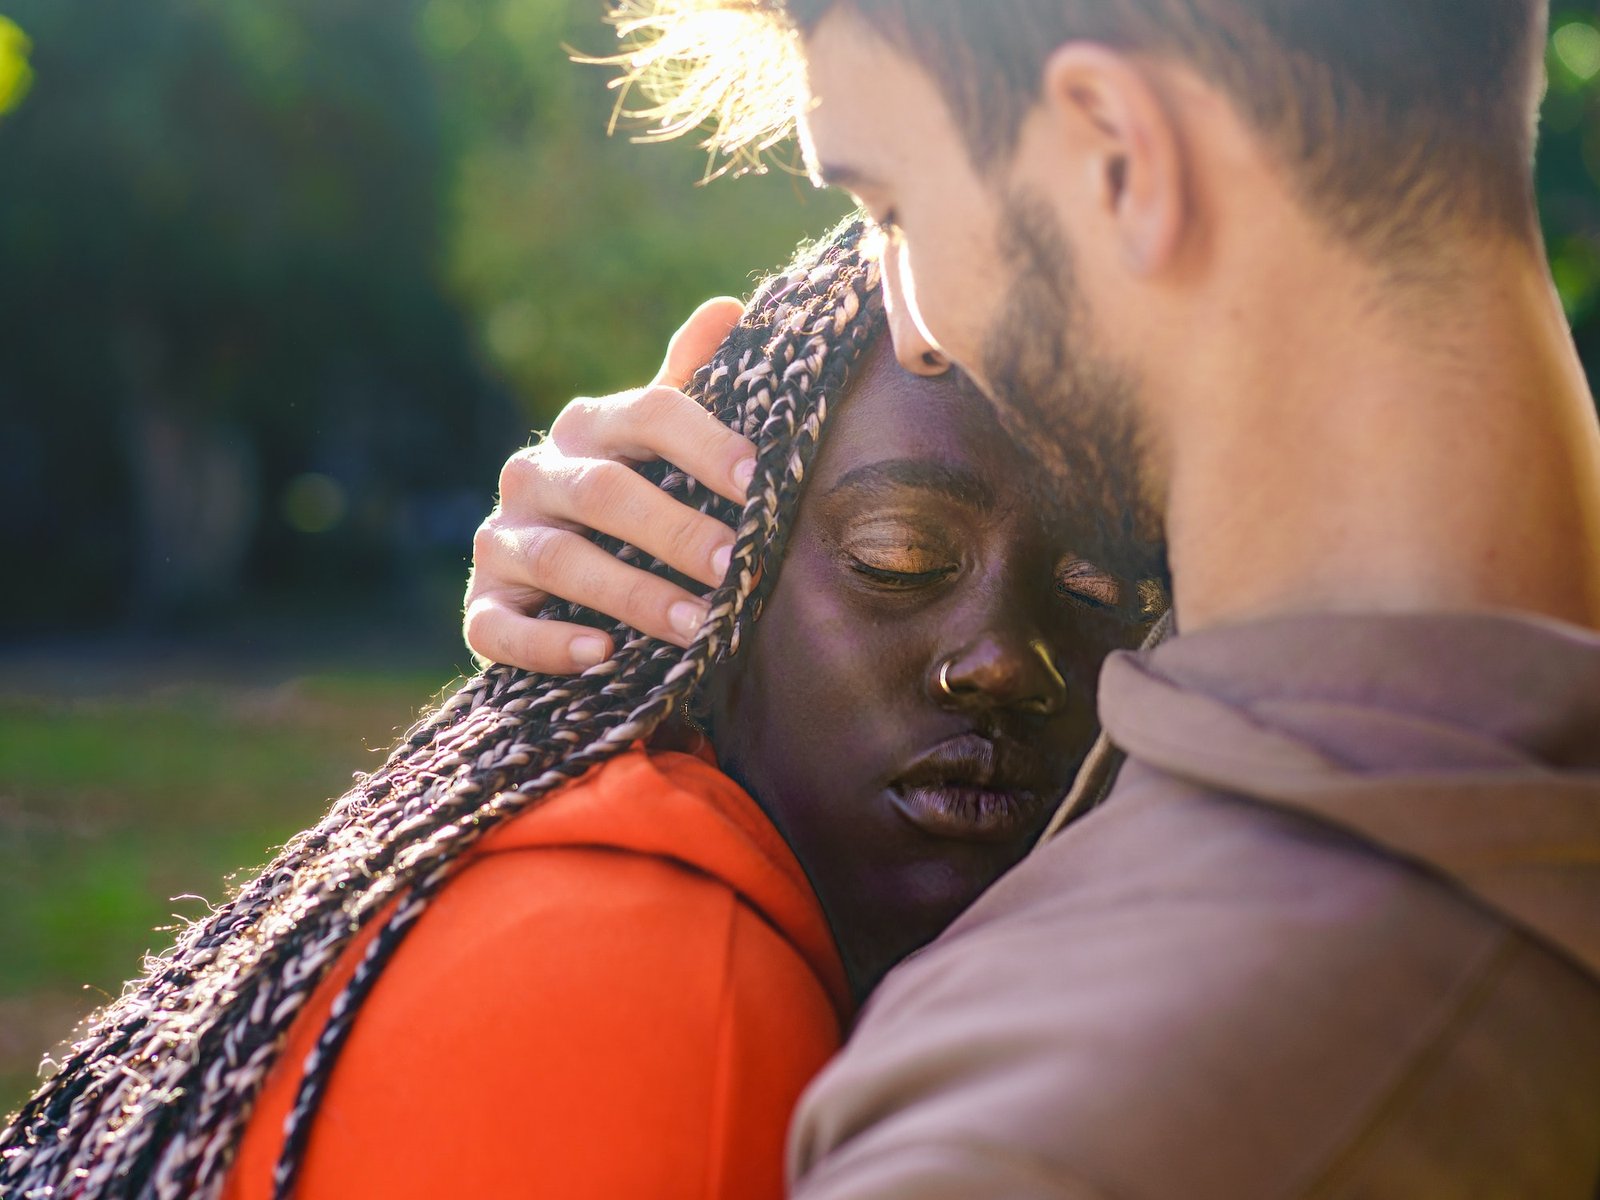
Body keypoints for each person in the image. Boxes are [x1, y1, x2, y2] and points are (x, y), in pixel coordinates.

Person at [465, 1, 1600, 1195]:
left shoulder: (1044, 1136)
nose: (909, 326)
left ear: (1119, 153)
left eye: (892, 210)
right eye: (903, 562)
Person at [0, 226, 1152, 1199]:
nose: (1004, 662)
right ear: (720, 578)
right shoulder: (670, 988)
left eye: (1103, 593)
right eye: (898, 558)